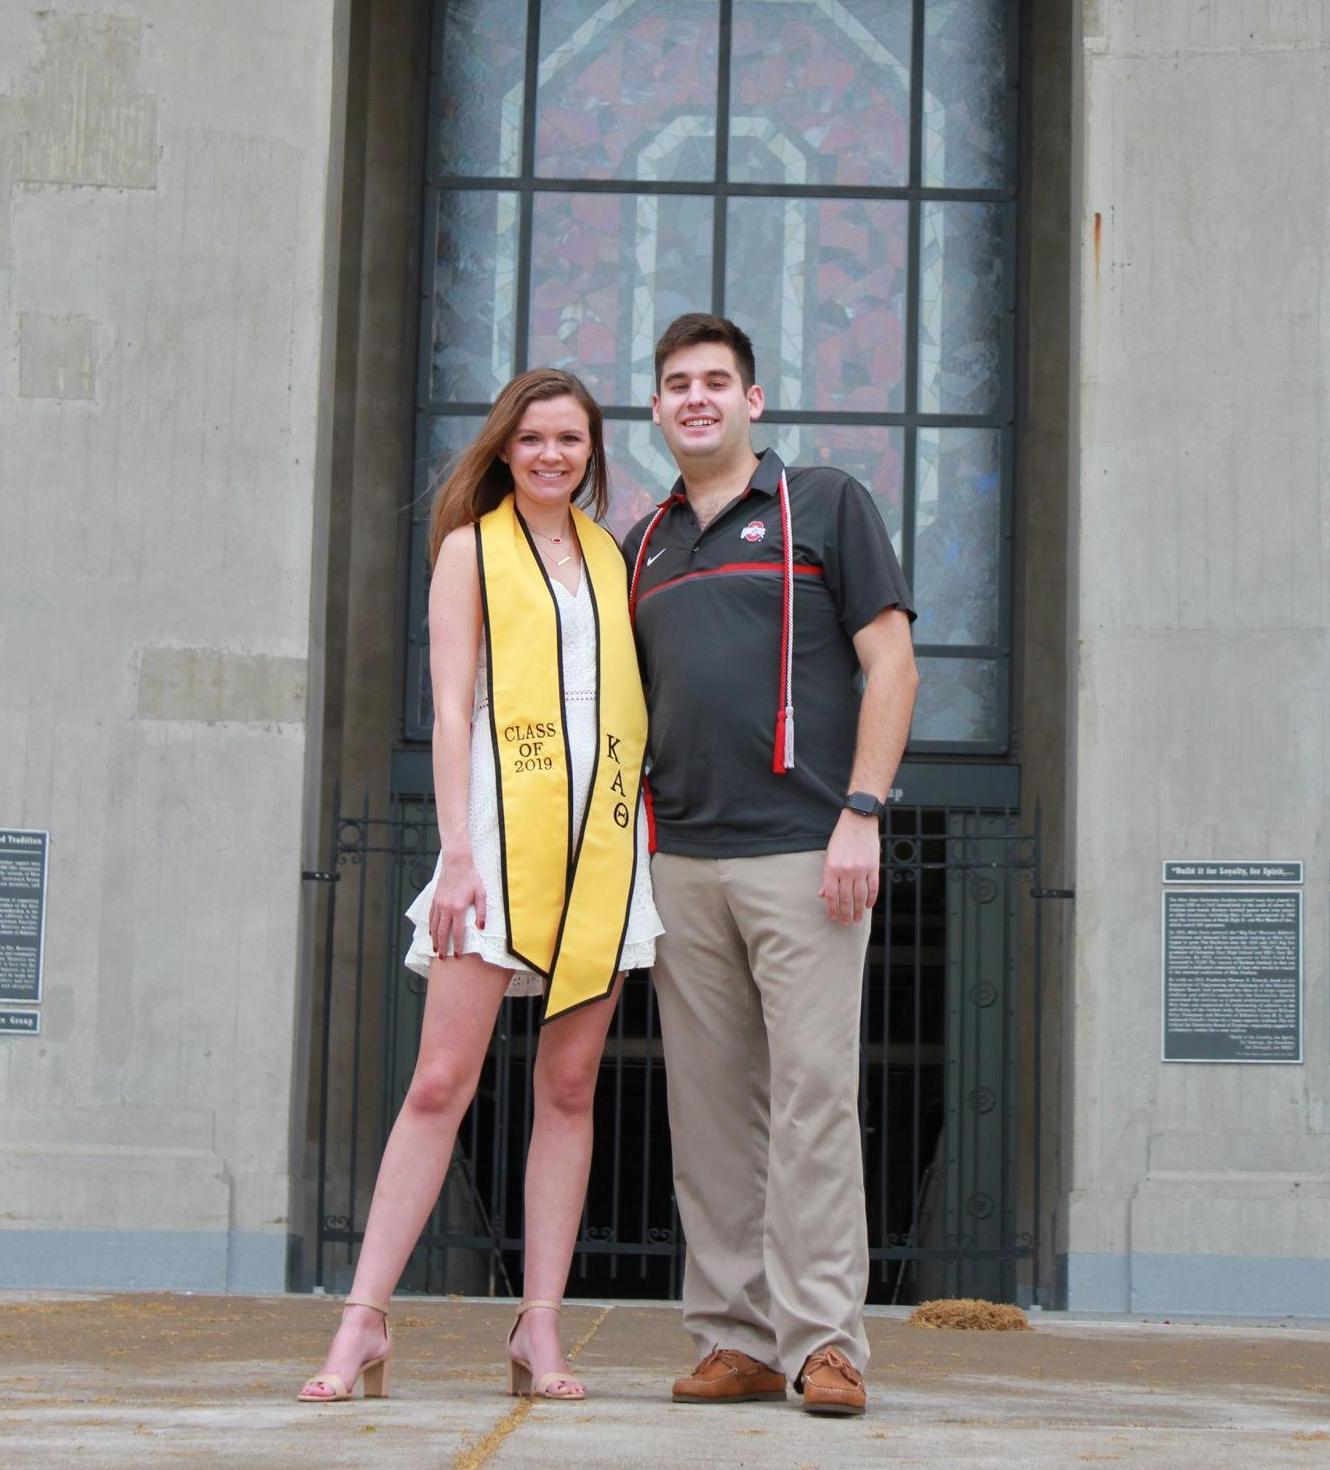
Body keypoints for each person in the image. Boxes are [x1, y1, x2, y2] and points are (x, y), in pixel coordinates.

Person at [298, 368, 661, 1404]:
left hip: (602, 848)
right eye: (534, 438)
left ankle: (537, 1326)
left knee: (569, 1087)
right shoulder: (470, 550)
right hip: (499, 840)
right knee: (438, 1084)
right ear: (505, 448)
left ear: (593, 454)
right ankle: (363, 1320)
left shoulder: (610, 557)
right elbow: (452, 710)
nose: (553, 455)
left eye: (572, 440)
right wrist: (457, 851)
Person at [623, 315, 918, 1417]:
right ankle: (736, 1338)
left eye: (715, 382)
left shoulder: (826, 502)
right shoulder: (641, 543)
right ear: (655, 411)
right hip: (682, 862)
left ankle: (824, 1343)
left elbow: (890, 660)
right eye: (674, 385)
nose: (695, 398)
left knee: (812, 1103)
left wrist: (861, 812)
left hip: (806, 850)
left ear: (755, 401)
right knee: (707, 1114)